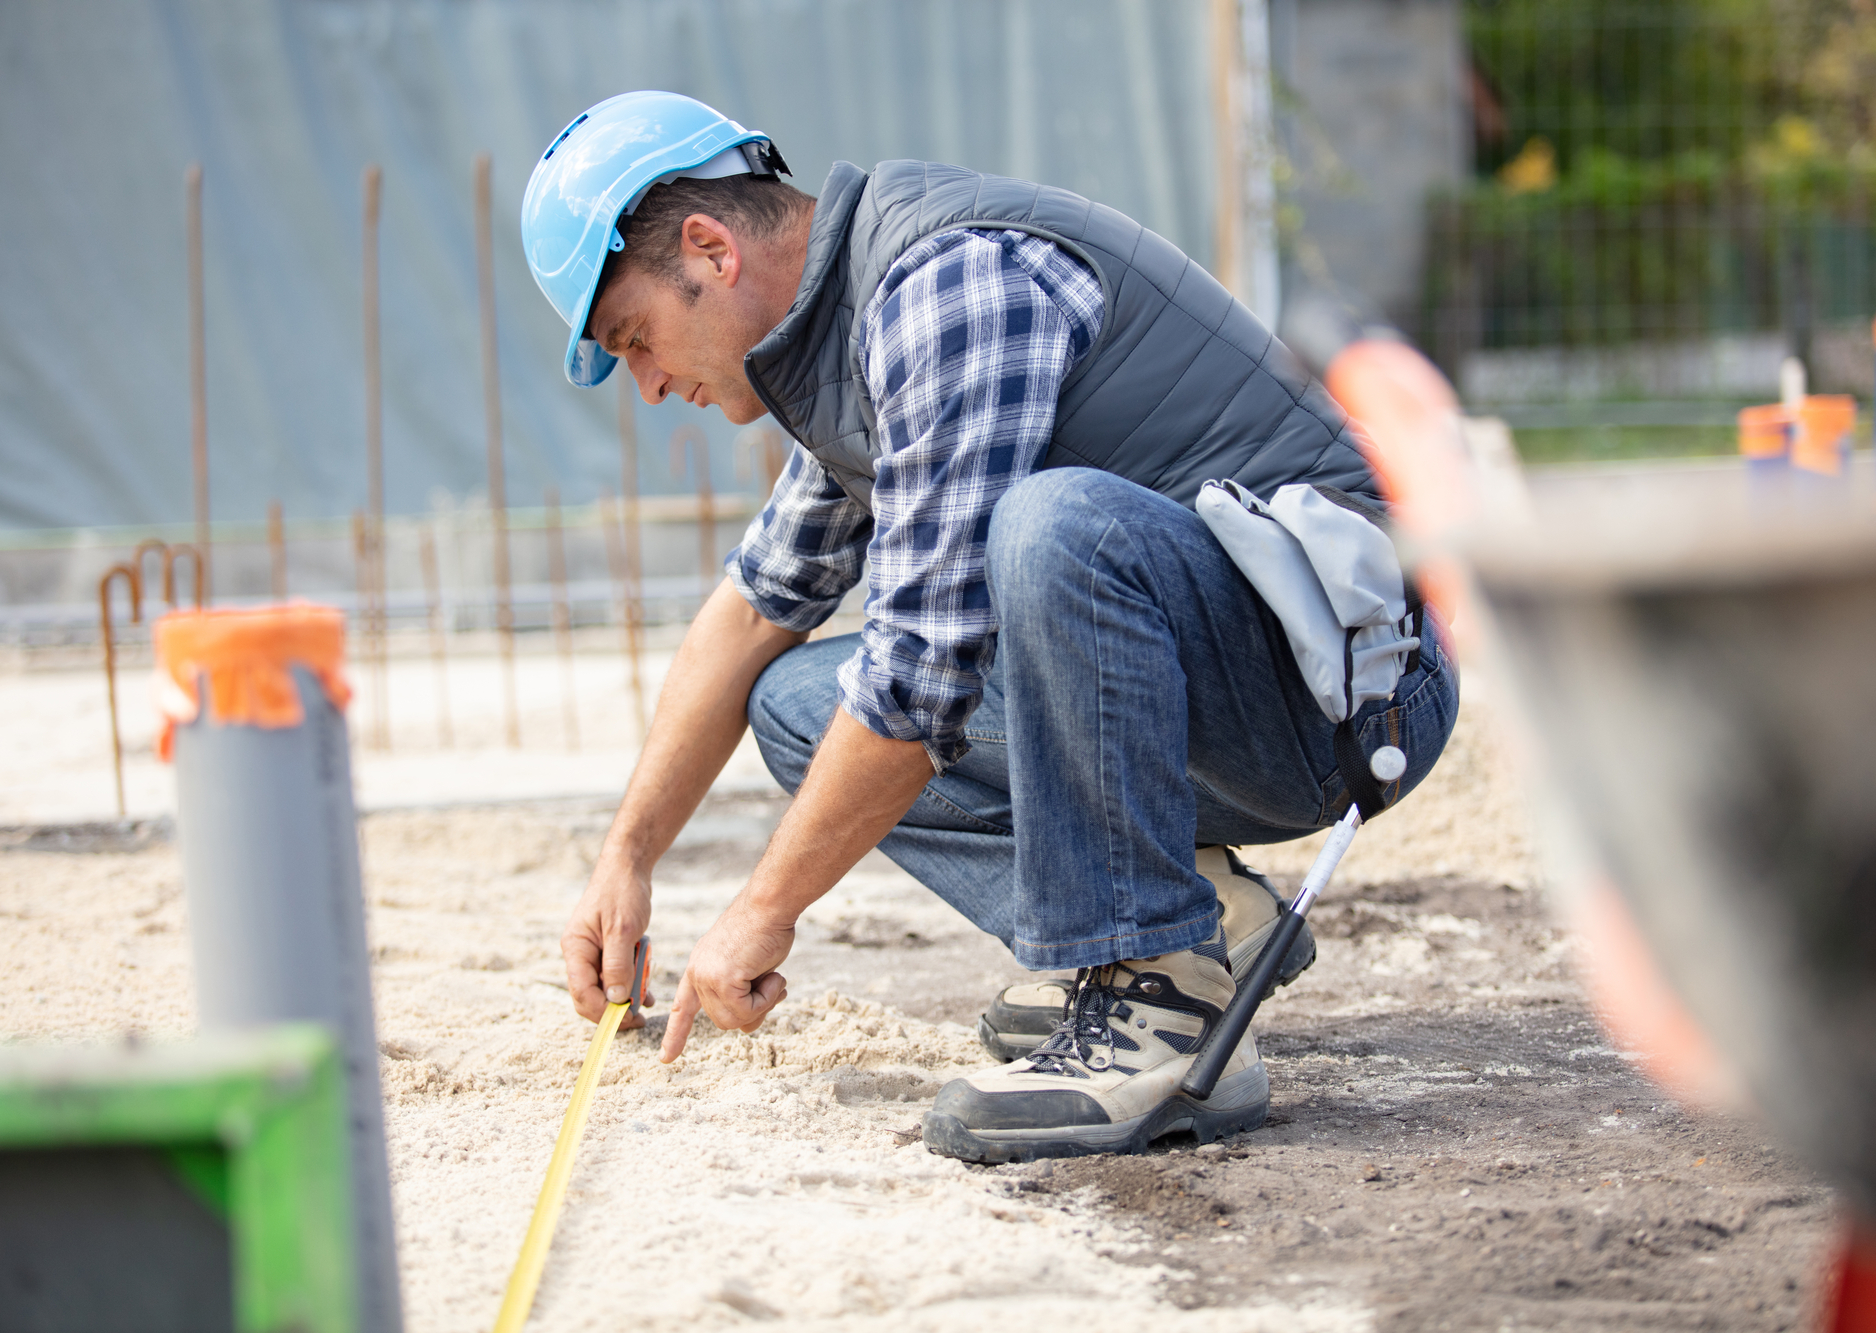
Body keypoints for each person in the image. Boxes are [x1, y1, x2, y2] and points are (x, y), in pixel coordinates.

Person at [520, 91, 1458, 1163]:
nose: (643, 385)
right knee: (792, 703)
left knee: (1051, 525)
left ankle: (1153, 995)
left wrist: (760, 909)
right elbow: (751, 614)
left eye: (636, 338)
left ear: (708, 248)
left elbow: (919, 675)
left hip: (1344, 689)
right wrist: (625, 855)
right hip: (1229, 675)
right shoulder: (850, 346)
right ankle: (1205, 922)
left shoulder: (946, 288)